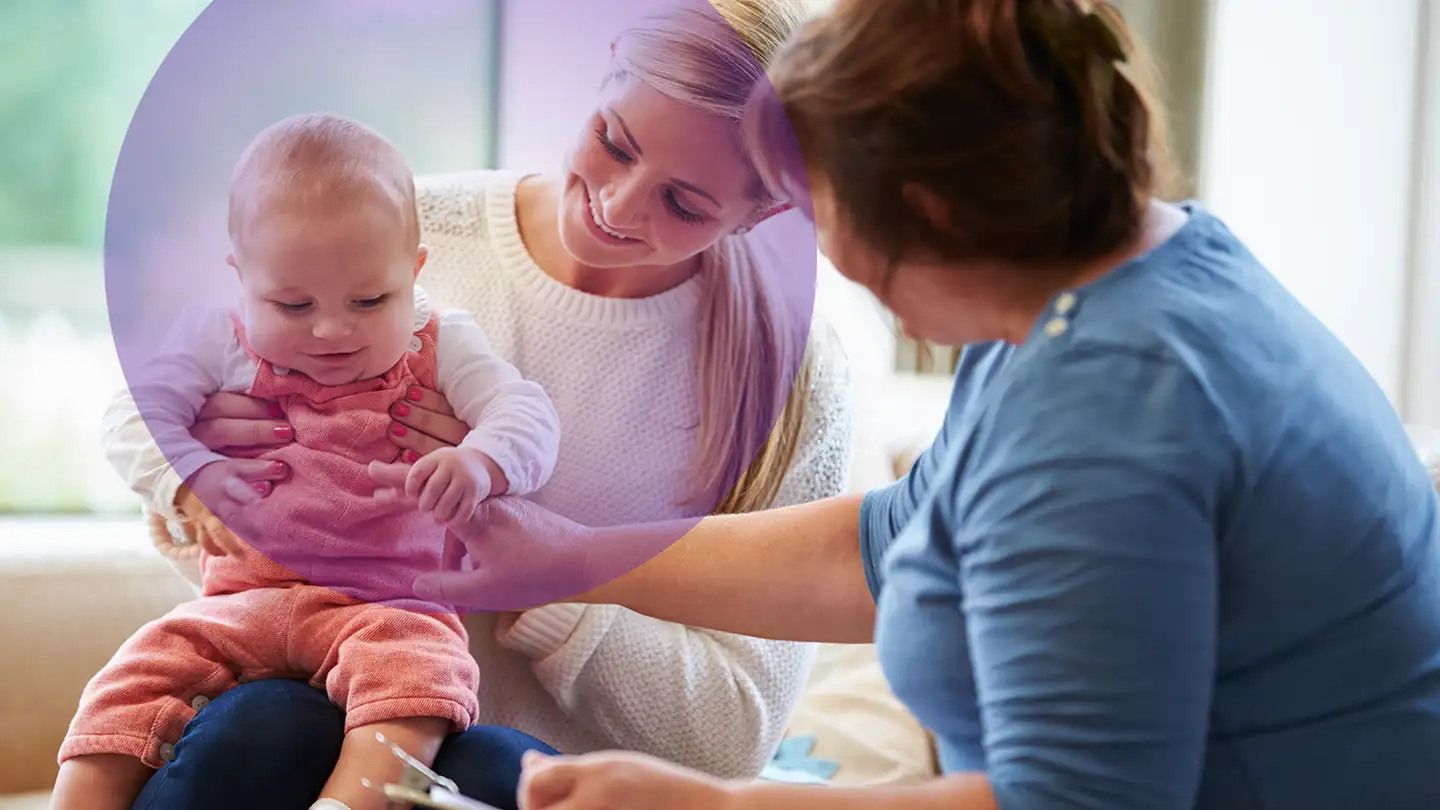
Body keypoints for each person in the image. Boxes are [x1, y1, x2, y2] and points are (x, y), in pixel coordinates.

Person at [413, 2, 1440, 809]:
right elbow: (901, 540)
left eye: (820, 212)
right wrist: (564, 555)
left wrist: (713, 808)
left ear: (932, 214)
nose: (825, 257)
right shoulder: (1109, 281)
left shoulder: (1114, 414)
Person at [111, 1, 854, 809]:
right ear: (603, 70)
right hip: (301, 716)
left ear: (767, 208)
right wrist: (223, 479)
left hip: (539, 779)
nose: (618, 205)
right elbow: (156, 442)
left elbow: (734, 736)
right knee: (266, 728)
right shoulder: (386, 228)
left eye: (684, 203)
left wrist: (550, 578)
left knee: (504, 776)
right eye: (613, 141)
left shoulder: (793, 380)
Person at [63, 112, 563, 810]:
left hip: (385, 601)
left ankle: (352, 799)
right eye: (292, 304)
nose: (332, 329)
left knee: (420, 671)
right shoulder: (219, 336)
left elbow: (529, 416)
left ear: (414, 272)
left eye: (370, 299)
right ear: (241, 279)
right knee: (136, 675)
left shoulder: (440, 339)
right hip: (242, 600)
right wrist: (187, 485)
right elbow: (130, 415)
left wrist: (481, 462)